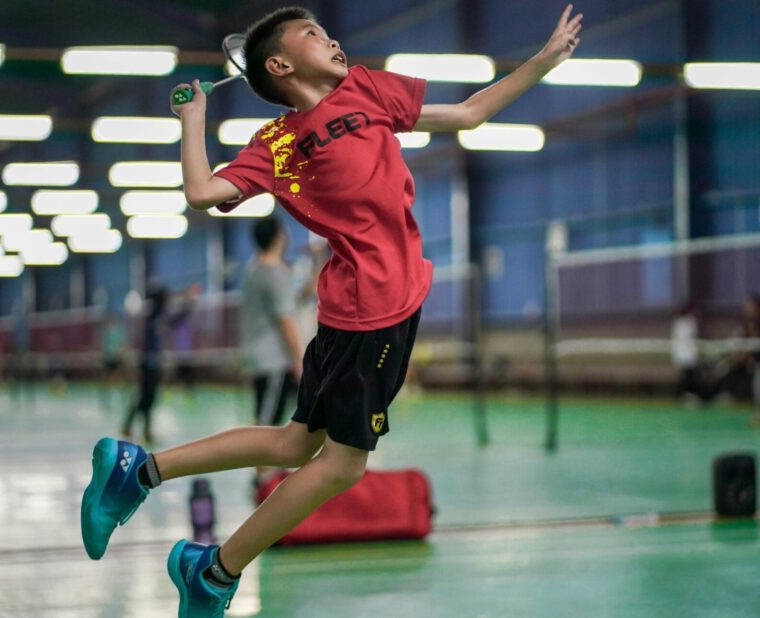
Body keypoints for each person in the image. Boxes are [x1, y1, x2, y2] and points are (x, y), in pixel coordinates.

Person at [81, 5, 583, 614]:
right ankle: (212, 572)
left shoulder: (367, 90)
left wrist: (542, 61)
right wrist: (194, 119)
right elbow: (202, 193)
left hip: (368, 306)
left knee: (297, 445)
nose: (333, 38)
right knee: (342, 466)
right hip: (370, 311)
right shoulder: (280, 143)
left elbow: (470, 113)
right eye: (315, 34)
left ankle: (141, 471)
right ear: (280, 64)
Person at [240, 216, 304, 482]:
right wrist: (299, 359)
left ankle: (267, 471)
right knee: (268, 421)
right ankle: (262, 479)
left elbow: (290, 302)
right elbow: (285, 319)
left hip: (260, 357)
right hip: (273, 359)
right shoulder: (273, 271)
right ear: (279, 236)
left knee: (270, 417)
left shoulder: (254, 268)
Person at [120, 281, 169, 444]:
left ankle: (137, 428)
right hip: (148, 364)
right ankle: (140, 429)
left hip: (151, 363)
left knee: (148, 397)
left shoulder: (156, 315)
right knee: (146, 397)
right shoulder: (154, 315)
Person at [671, 302, 701, 405]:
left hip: (690, 354)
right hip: (682, 354)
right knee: (685, 377)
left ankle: (691, 396)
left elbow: (693, 338)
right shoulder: (678, 322)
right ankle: (684, 396)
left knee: (692, 376)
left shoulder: (692, 321)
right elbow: (676, 340)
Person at [744, 294, 760, 423]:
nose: (748, 308)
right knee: (757, 387)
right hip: (758, 361)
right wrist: (751, 358)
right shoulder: (751, 323)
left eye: (751, 306)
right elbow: (751, 343)